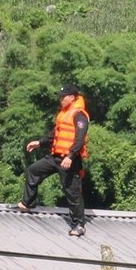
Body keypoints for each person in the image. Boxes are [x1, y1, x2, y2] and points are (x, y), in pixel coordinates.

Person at [21, 84, 90, 236]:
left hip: (69, 160)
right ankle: (27, 203)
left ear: (72, 97)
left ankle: (79, 224)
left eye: (63, 97)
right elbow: (55, 134)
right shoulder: (64, 113)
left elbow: (80, 139)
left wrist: (70, 156)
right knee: (34, 170)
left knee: (72, 191)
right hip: (55, 157)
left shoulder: (80, 115)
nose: (61, 100)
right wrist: (39, 142)